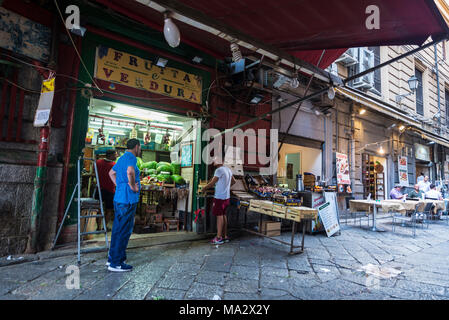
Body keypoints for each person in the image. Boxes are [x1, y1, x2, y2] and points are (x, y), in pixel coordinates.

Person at [107, 139, 141, 272]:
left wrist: (119, 185)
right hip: (128, 199)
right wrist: (132, 187)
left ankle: (112, 258)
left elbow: (111, 173)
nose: (140, 150)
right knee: (124, 230)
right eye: (140, 147)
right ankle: (117, 263)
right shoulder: (132, 158)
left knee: (117, 229)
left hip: (119, 197)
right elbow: (130, 172)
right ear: (137, 147)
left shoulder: (121, 158)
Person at [202, 156, 236, 245]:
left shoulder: (219, 170)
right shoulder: (228, 170)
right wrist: (226, 187)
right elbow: (233, 182)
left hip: (219, 197)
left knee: (219, 216)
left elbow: (212, 182)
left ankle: (218, 237)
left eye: (215, 159)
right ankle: (225, 236)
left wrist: (204, 188)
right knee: (224, 215)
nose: (213, 160)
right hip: (226, 197)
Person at [95, 149, 117, 231]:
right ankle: (105, 227)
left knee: (99, 209)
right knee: (109, 210)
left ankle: (98, 227)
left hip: (99, 189)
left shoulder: (98, 162)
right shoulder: (114, 165)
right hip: (110, 190)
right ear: (111, 155)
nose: (116, 156)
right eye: (115, 154)